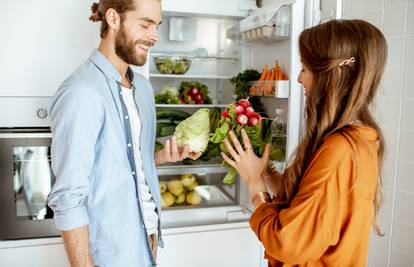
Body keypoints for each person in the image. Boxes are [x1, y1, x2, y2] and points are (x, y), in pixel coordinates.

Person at [222, 19, 387, 266]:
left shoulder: (341, 150)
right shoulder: (357, 138)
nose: (299, 78)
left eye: (305, 68)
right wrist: (265, 170)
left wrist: (255, 185)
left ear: (333, 75)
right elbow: (306, 202)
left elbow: (287, 243)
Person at [47, 1, 200, 266]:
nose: (155, 37)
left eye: (157, 25)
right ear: (114, 18)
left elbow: (124, 165)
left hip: (147, 240)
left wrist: (160, 157)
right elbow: (68, 197)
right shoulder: (81, 92)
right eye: (145, 24)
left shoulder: (142, 88)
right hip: (110, 254)